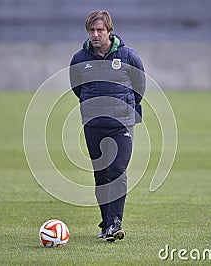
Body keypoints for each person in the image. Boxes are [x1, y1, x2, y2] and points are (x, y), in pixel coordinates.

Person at [69, 10, 145, 242]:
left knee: (117, 171)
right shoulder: (80, 59)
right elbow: (77, 88)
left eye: (100, 30)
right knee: (101, 175)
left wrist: (123, 108)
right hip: (93, 125)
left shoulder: (128, 56)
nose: (95, 34)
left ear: (109, 30)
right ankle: (106, 224)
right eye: (91, 30)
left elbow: (139, 87)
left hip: (121, 124)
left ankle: (114, 223)